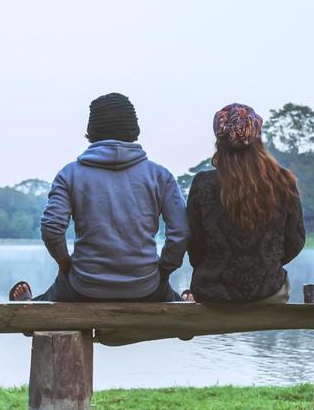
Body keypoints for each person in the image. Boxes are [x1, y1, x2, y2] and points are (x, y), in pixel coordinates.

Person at [11, 93, 187, 302]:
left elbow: (51, 229)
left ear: (91, 132)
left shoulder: (70, 174)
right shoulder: (160, 176)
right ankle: (184, 306)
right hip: (145, 287)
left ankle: (28, 307)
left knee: (46, 301)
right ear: (134, 130)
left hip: (84, 287)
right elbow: (181, 232)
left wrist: (66, 265)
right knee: (172, 298)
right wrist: (163, 270)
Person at [184, 103, 305, 304]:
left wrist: (210, 269)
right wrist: (267, 263)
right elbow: (296, 240)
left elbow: (194, 244)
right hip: (269, 293)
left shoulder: (203, 183)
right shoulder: (284, 181)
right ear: (257, 139)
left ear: (219, 141)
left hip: (213, 294)